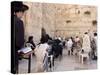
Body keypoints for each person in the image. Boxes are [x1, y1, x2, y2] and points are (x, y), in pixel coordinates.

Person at [11, 1, 29, 74]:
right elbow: (19, 42)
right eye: (23, 12)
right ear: (19, 12)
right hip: (13, 54)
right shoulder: (19, 22)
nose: (22, 15)